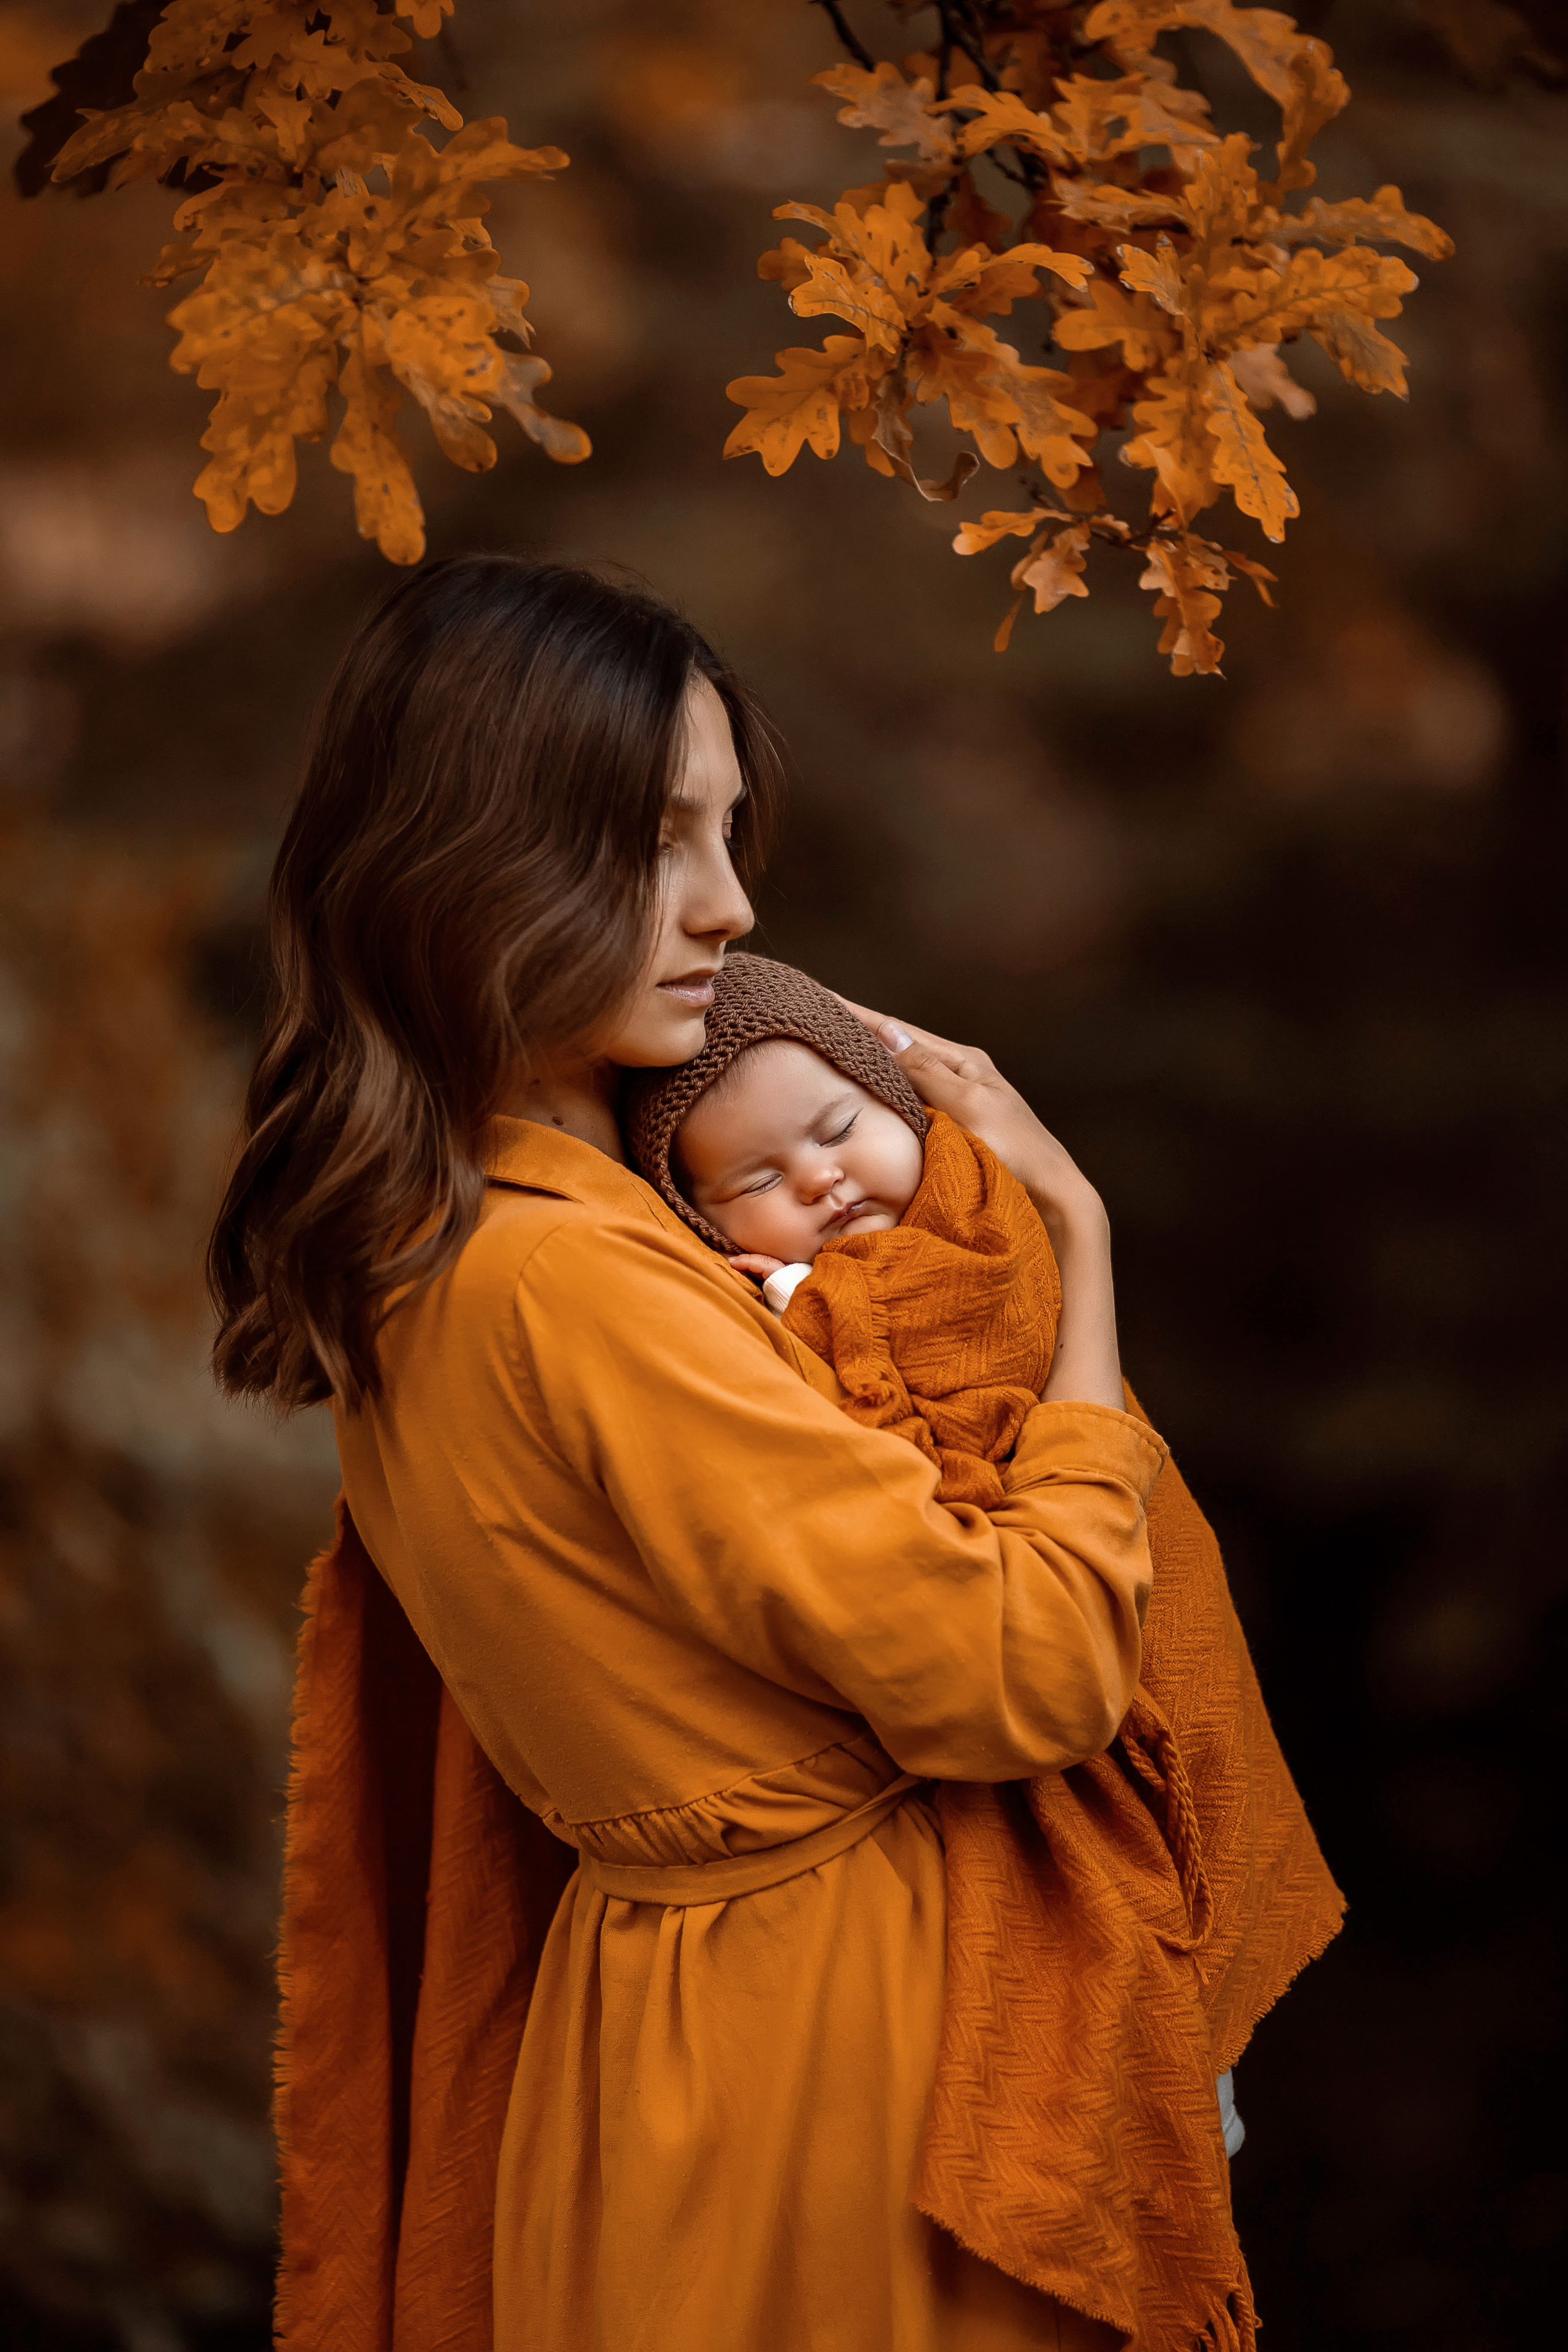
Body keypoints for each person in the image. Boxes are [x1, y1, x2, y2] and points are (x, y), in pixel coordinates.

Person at [208, 554, 1316, 2352]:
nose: (727, 906)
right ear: (477, 854)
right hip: (839, 2074)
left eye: (728, 837)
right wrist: (1080, 1241)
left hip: (673, 2047)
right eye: (660, 839)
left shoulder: (471, 1244)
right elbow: (1022, 1668)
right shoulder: (571, 1284)